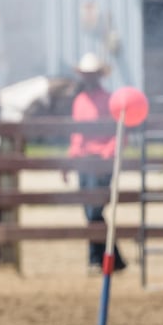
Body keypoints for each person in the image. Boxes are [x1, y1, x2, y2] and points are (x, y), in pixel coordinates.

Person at [65, 53, 127, 274]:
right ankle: (114, 258)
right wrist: (70, 160)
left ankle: (94, 259)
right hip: (84, 162)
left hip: (101, 161)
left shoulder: (110, 100)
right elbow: (76, 135)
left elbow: (119, 132)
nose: (88, 78)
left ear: (99, 76)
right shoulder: (79, 101)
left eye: (92, 74)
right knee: (90, 212)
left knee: (94, 211)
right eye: (85, 74)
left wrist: (108, 154)